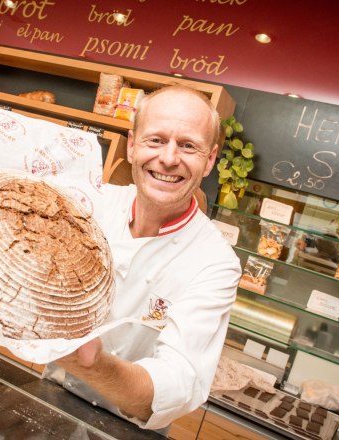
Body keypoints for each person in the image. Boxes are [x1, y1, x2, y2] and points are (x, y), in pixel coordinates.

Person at [43, 85, 242, 431]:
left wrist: (93, 364)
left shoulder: (215, 262)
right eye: (155, 140)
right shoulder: (90, 206)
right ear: (132, 146)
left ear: (209, 160)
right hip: (49, 396)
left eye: (188, 145)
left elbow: (177, 380)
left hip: (129, 429)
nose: (168, 158)